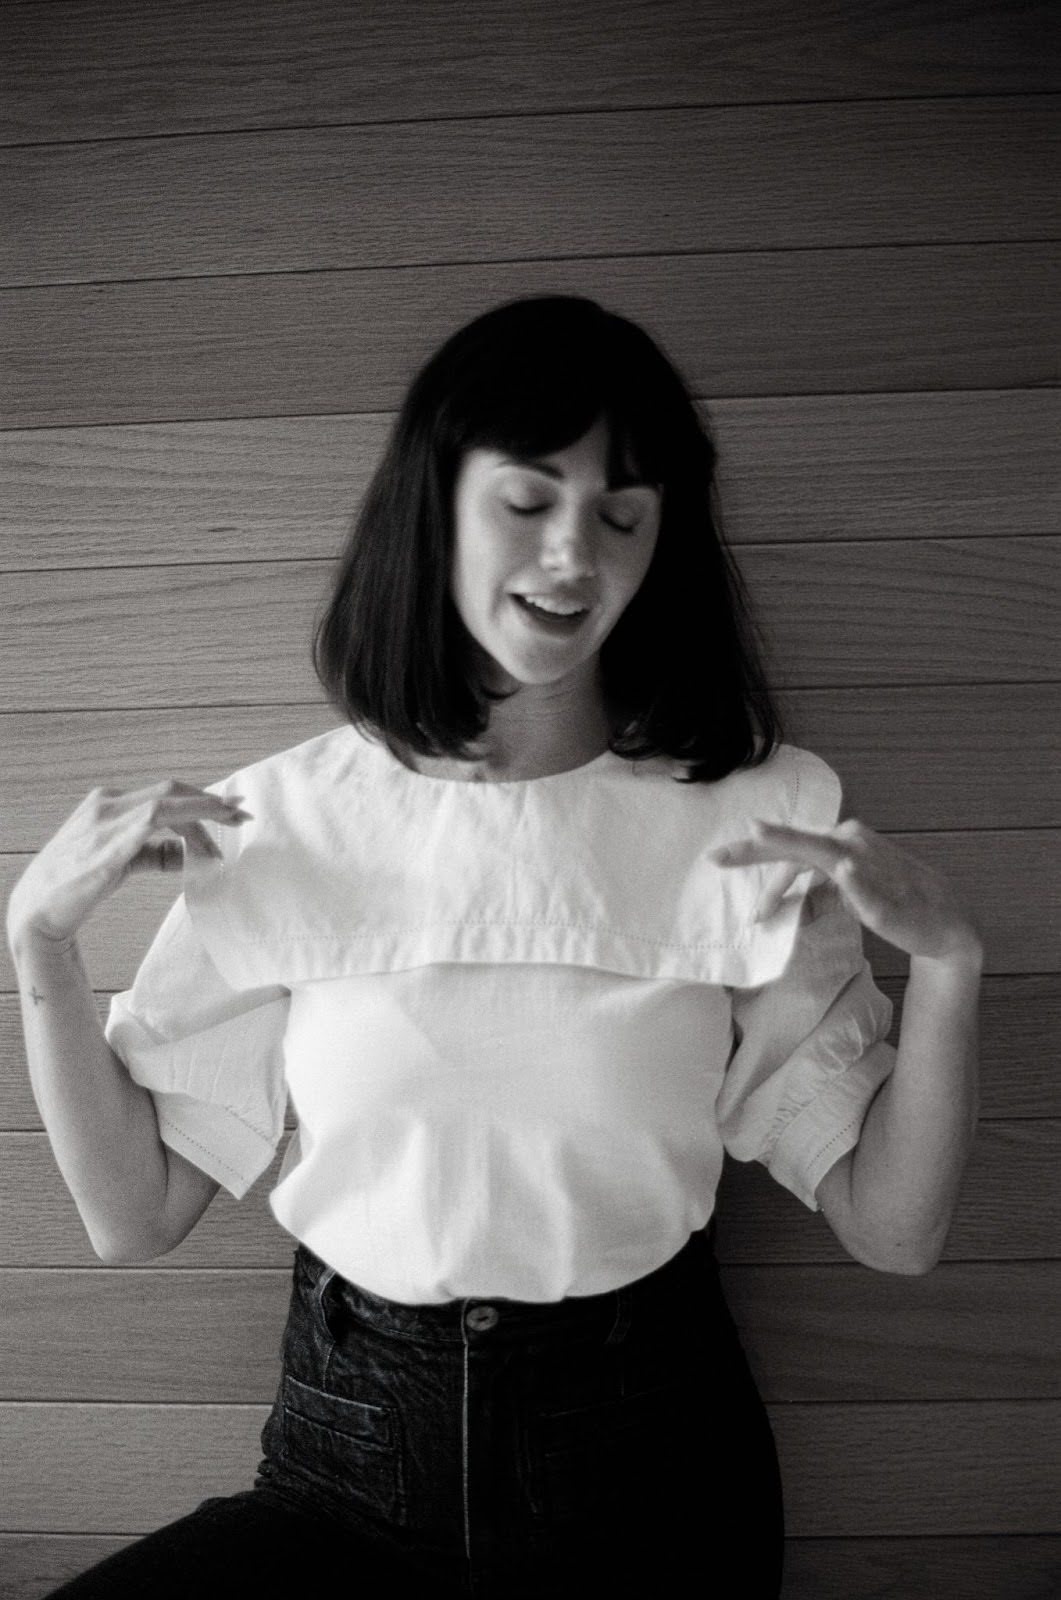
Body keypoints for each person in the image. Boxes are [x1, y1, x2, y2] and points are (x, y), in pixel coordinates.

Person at [6, 295, 983, 1599]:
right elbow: (134, 1216)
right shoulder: (287, 820)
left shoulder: (754, 820)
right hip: (345, 1474)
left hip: (647, 1483)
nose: (574, 554)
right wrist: (39, 952)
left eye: (622, 514)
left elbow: (892, 1228)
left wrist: (954, 972)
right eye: (528, 501)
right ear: (436, 506)